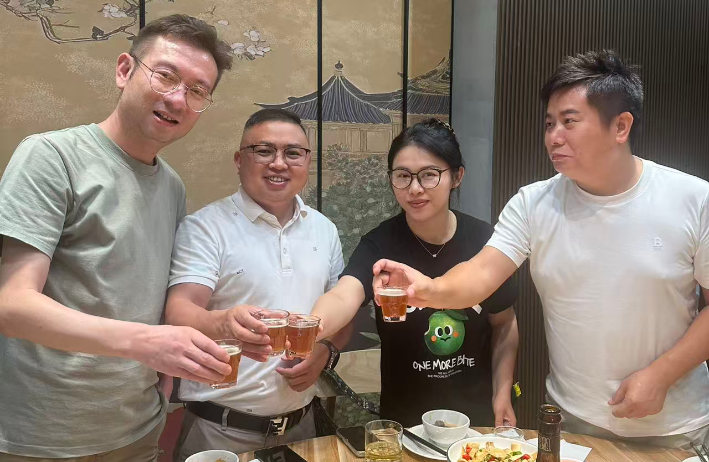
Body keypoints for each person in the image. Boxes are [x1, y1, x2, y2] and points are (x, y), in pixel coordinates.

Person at [373, 50, 709, 448]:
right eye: (549, 123)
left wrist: (662, 374)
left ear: (621, 126)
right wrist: (427, 288)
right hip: (571, 420)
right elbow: (481, 273)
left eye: (569, 121)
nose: (553, 136)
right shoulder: (534, 203)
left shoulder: (692, 199)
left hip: (673, 426)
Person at [0, 14, 238, 461]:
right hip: (44, 434)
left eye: (197, 90)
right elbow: (12, 305)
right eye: (165, 76)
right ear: (125, 70)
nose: (178, 98)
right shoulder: (51, 156)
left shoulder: (171, 186)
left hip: (136, 428)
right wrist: (147, 342)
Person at [165, 108, 351, 458]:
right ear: (239, 160)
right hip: (219, 431)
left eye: (293, 153)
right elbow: (178, 312)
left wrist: (325, 352)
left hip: (303, 428)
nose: (279, 163)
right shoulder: (206, 227)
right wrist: (224, 322)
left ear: (307, 161)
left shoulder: (324, 229)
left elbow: (342, 314)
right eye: (264, 151)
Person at [313, 119, 519, 428]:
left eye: (429, 175)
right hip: (405, 424)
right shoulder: (379, 244)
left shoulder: (485, 242)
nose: (415, 188)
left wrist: (502, 394)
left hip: (476, 422)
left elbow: (504, 323)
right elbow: (344, 295)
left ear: (457, 176)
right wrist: (311, 326)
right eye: (402, 176)